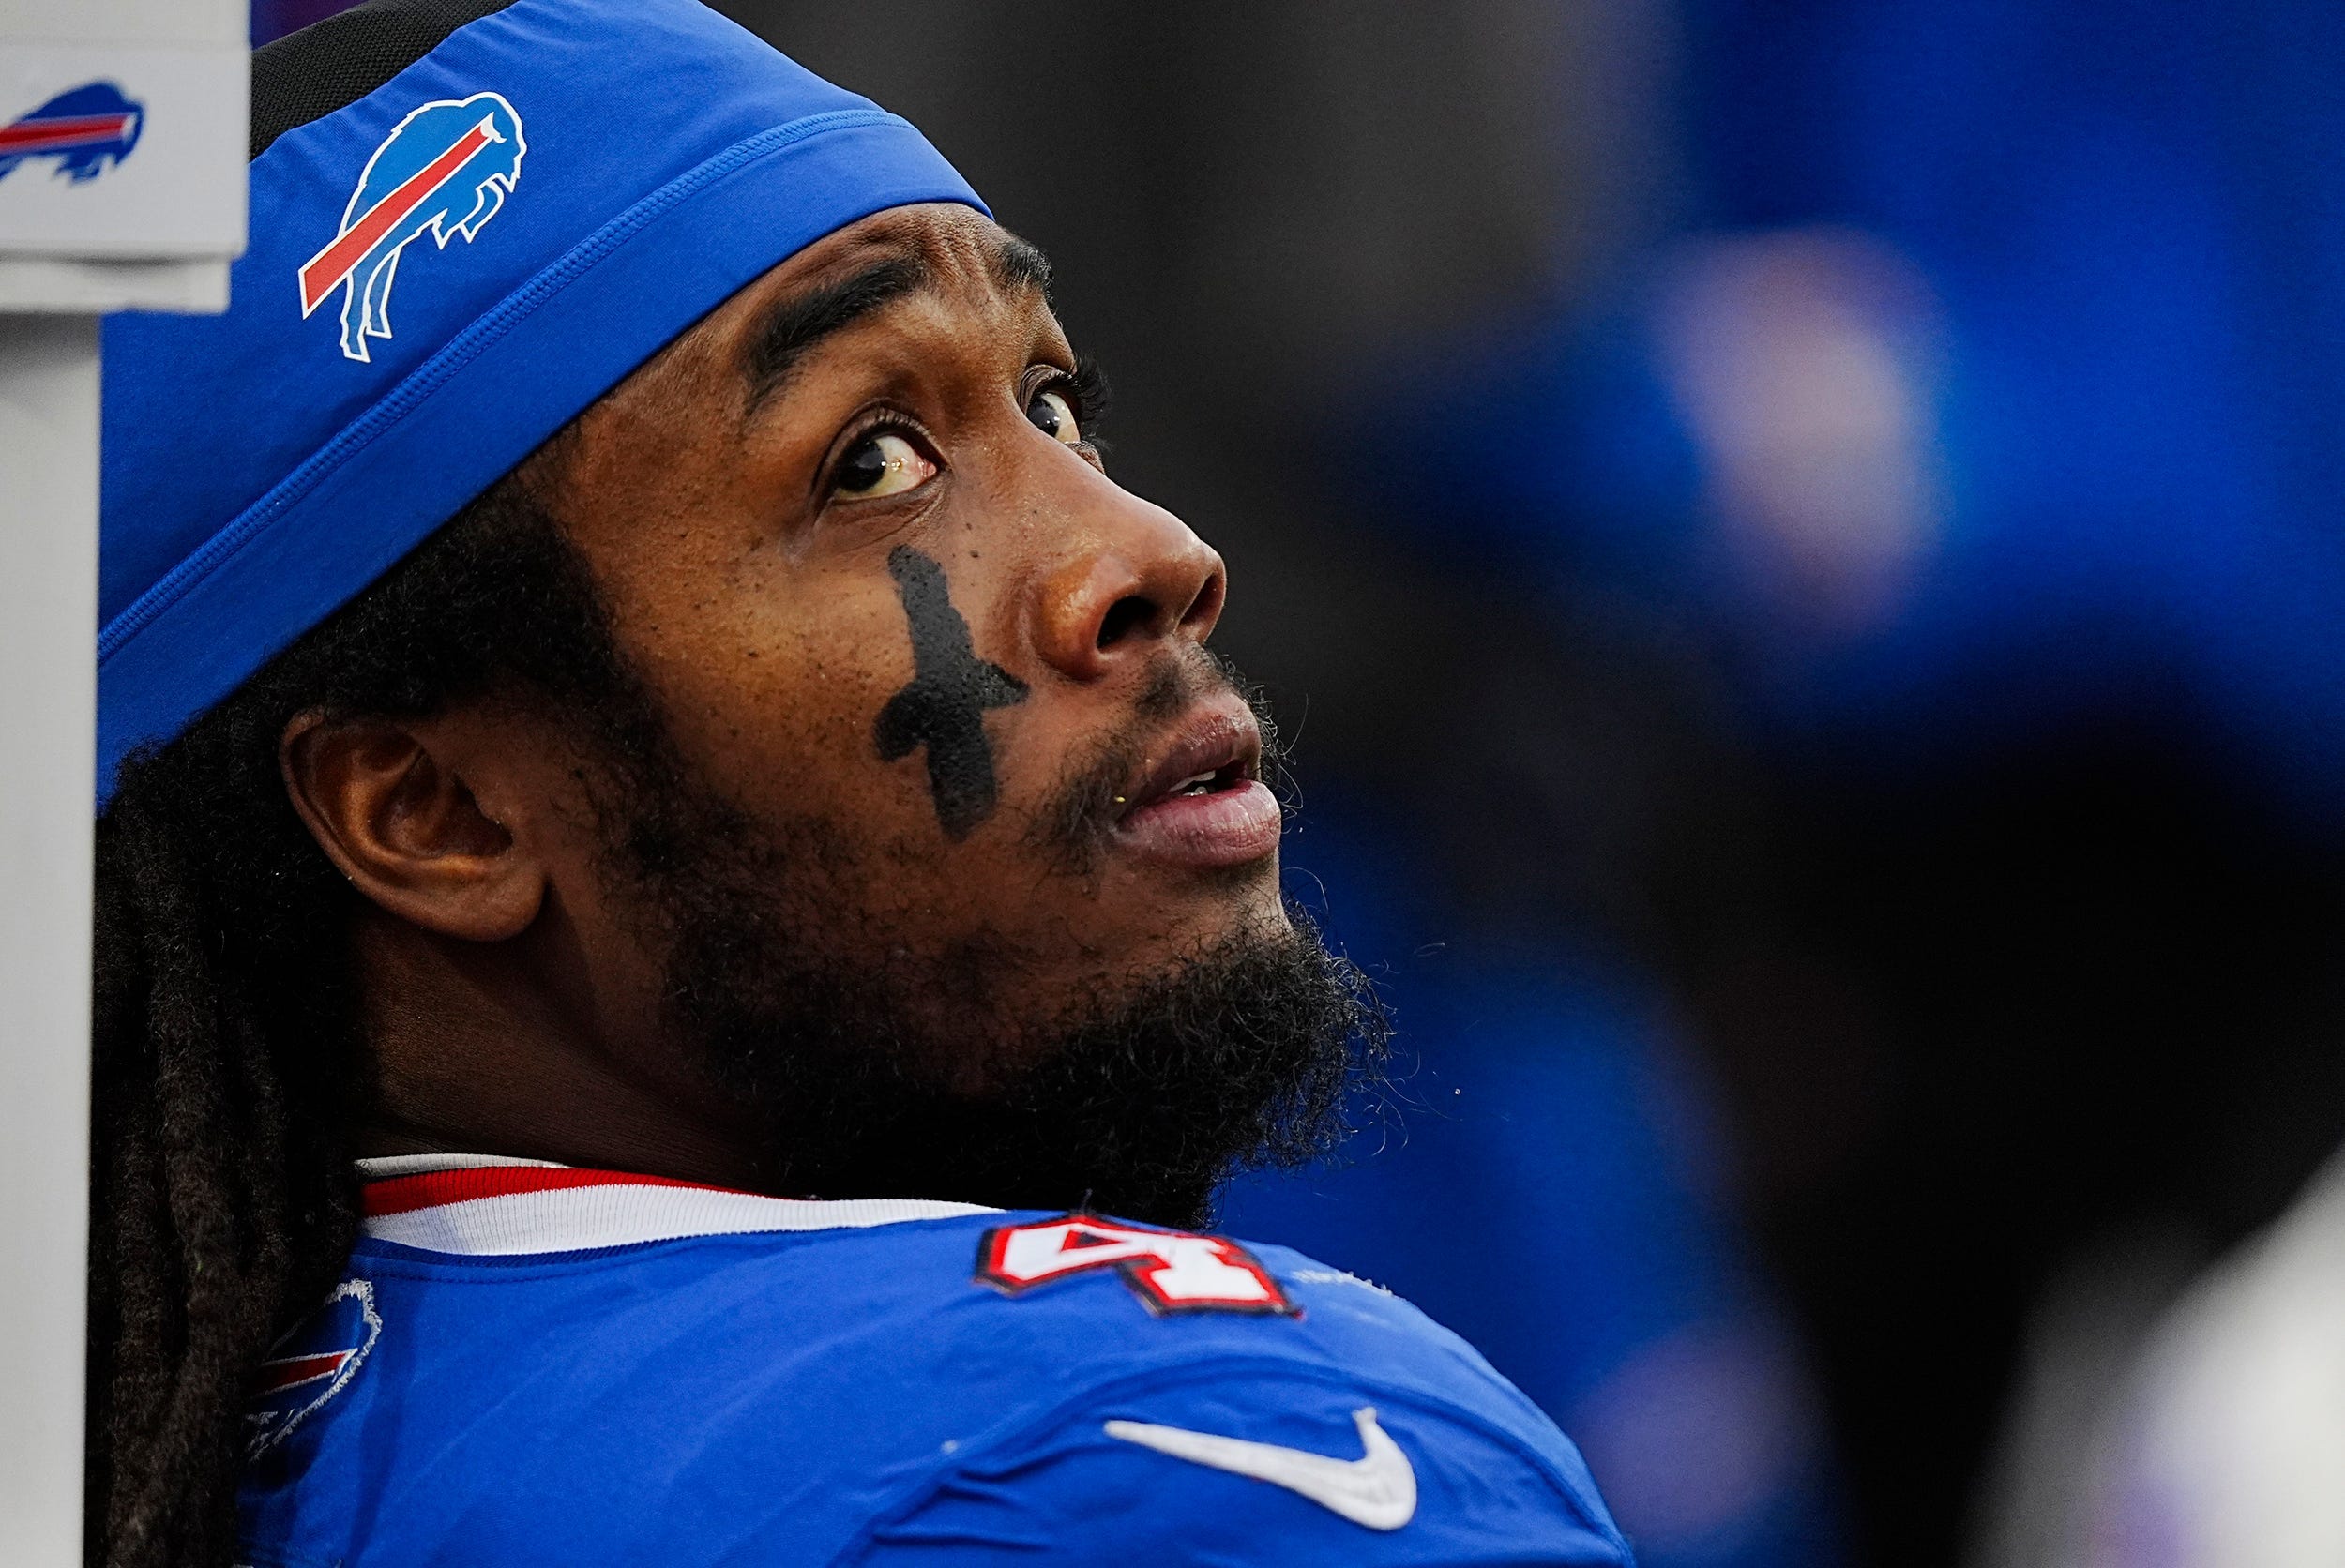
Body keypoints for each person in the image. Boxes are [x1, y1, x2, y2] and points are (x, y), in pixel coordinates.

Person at [86, 2, 1634, 1564]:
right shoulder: (1132, 1458)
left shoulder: (182, 1437)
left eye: (1053, 405)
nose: (1159, 556)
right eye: (876, 464)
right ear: (436, 813)